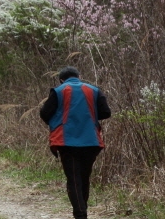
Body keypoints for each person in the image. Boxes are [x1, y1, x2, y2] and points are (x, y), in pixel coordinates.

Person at [39, 66, 111, 219]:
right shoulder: (94, 90)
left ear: (61, 80)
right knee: (84, 178)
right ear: (79, 76)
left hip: (67, 142)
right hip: (91, 141)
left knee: (73, 179)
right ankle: (82, 211)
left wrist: (57, 122)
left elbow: (44, 113)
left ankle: (80, 214)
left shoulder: (58, 91)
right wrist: (89, 117)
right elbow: (106, 112)